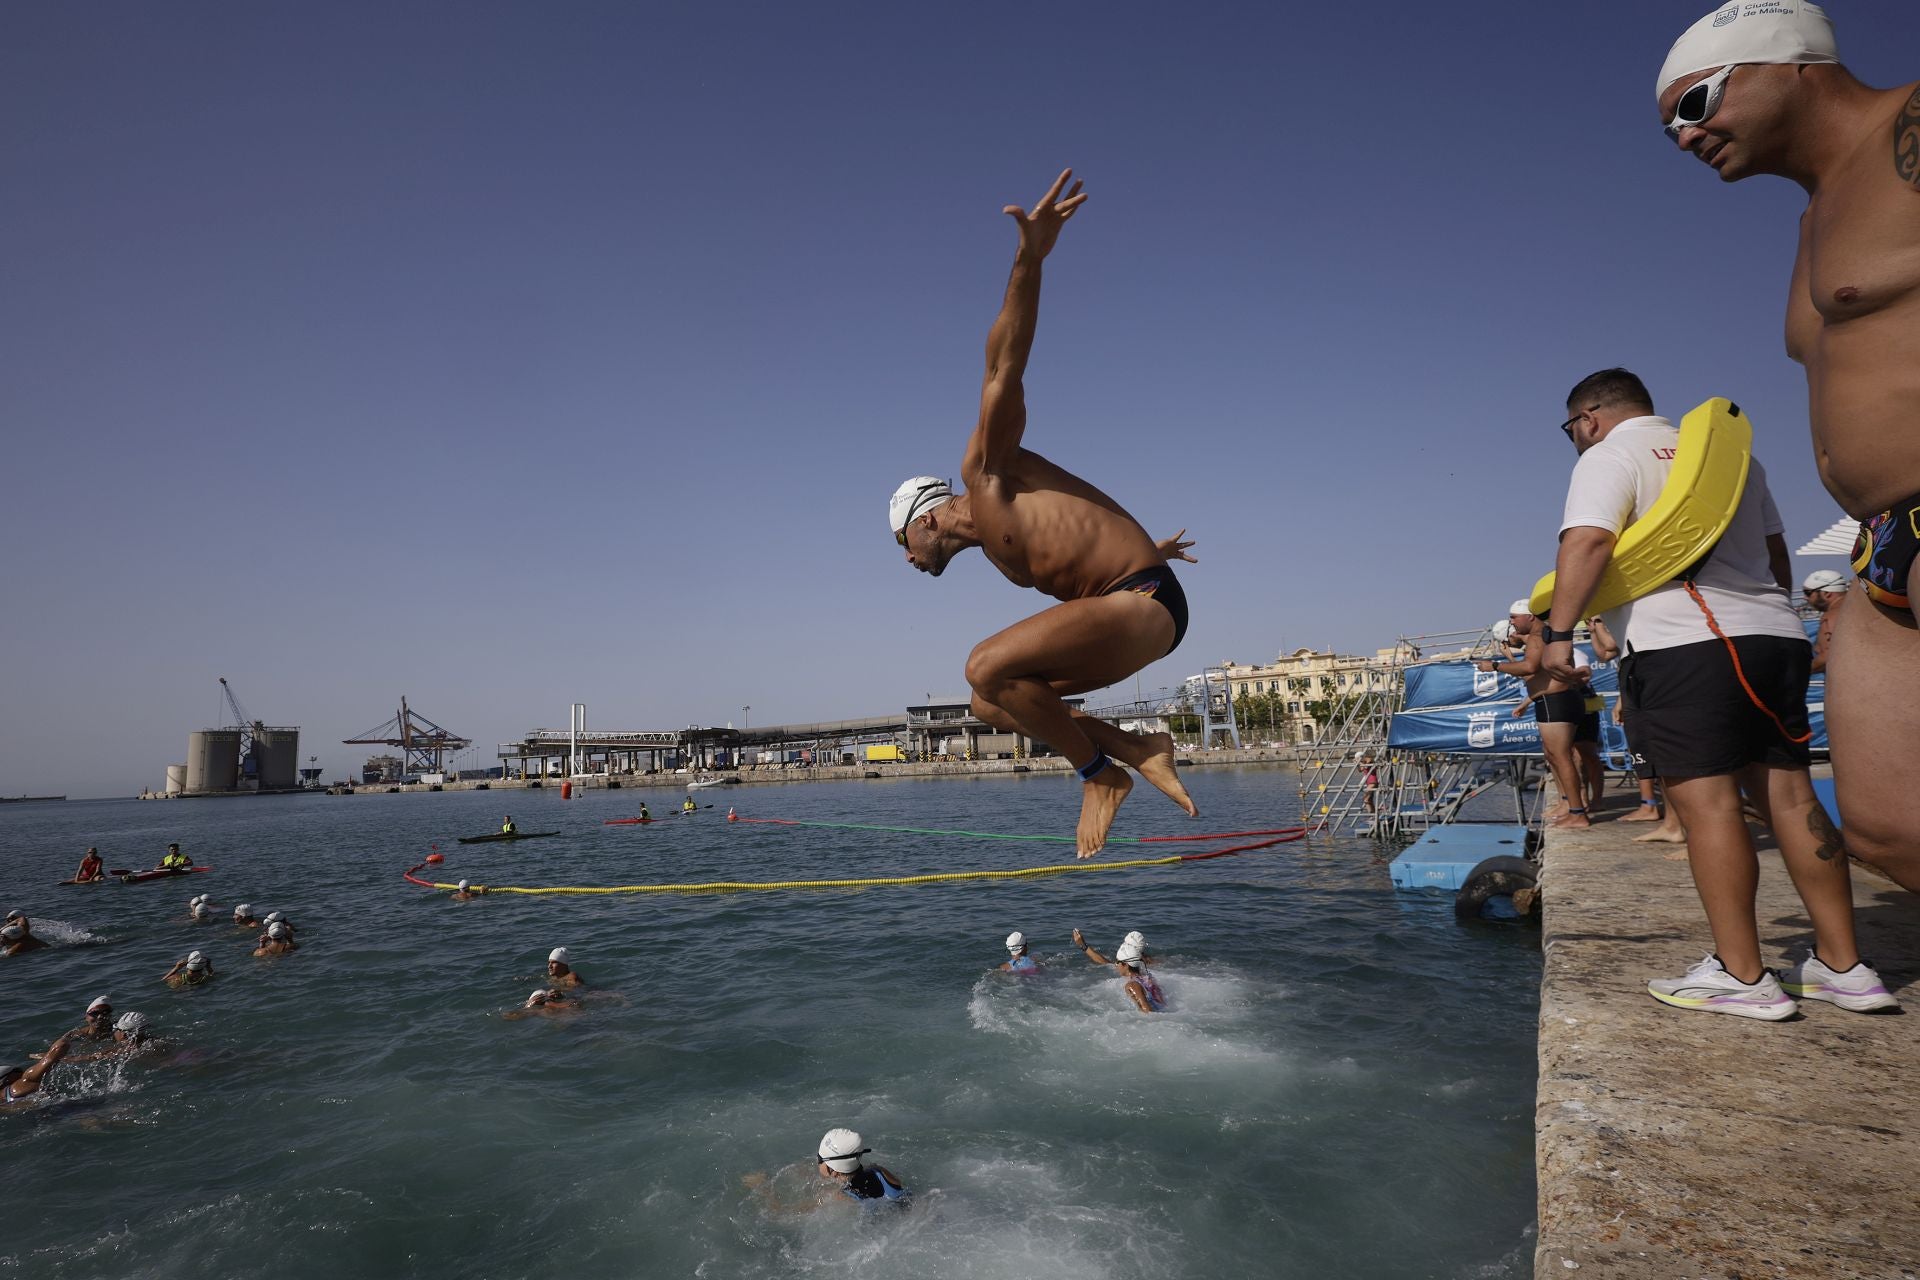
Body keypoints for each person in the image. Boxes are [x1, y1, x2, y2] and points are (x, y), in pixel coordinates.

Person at [1657, 3, 1920, 893]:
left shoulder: (1911, 128)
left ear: (1792, 64)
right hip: (1883, 541)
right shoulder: (1815, 217)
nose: (1685, 138)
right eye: (1669, 128)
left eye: (1694, 105)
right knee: (1888, 832)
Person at [1542, 368, 1894, 1018]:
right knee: (1789, 798)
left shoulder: (1608, 455)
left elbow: (1590, 541)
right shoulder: (1732, 459)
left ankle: (1743, 975)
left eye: (1570, 429)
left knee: (1708, 809)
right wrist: (1770, 612)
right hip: (1774, 634)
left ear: (1589, 418)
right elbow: (1775, 551)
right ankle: (1845, 968)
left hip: (1684, 641)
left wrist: (1558, 634)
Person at [890, 169, 1200, 859]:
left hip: (1142, 601)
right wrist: (1149, 543)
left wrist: (1029, 257)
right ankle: (1136, 748)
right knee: (992, 700)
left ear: (925, 518)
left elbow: (1004, 364)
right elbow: (1076, 530)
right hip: (1135, 609)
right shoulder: (1001, 554)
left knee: (981, 665)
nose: (908, 561)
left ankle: (1100, 775)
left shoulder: (987, 472)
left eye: (902, 544)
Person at [1479, 604, 1593, 828]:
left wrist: (1494, 665)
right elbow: (1538, 673)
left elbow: (1530, 667)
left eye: (1514, 617)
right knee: (1553, 756)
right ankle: (1569, 805)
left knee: (1561, 757)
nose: (1512, 622)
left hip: (1556, 701)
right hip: (1551, 700)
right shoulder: (1540, 635)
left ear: (1529, 616)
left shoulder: (1538, 636)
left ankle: (1578, 812)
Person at [1070, 927, 1165, 1013]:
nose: (1115, 964)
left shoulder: (1132, 984)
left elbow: (1148, 1012)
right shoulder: (1148, 977)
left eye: (1117, 962)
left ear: (1126, 965)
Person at [814, 1129, 911, 1206]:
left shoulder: (840, 1197)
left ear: (833, 1171)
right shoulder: (879, 1171)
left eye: (819, 1158)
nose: (817, 1160)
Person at [1, 1033, 75, 1106]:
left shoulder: (3, 1104)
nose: (21, 1073)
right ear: (6, 1079)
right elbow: (61, 1046)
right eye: (17, 1072)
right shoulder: (24, 1082)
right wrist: (66, 1038)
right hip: (65, 1110)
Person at [1802, 569, 1848, 675]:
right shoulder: (1855, 609)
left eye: (1808, 593)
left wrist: (1799, 672)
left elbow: (1829, 656)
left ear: (1827, 593)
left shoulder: (1831, 617)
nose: (1805, 598)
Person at [503, 987, 577, 1019]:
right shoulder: (539, 1010)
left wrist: (527, 1006)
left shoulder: (537, 1011)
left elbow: (507, 1016)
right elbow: (507, 1016)